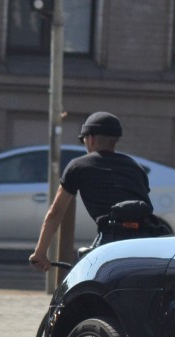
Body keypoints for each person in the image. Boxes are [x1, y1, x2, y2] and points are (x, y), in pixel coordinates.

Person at [28, 111, 152, 272]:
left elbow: (56, 212)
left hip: (111, 238)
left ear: (90, 139)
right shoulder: (135, 167)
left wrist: (40, 253)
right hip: (147, 239)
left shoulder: (78, 166)